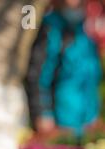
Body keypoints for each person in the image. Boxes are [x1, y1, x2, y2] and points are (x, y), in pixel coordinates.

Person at [25, 0, 102, 141]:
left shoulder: (84, 30)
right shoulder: (49, 29)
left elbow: (90, 78)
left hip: (86, 122)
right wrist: (42, 113)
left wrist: (93, 115)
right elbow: (37, 76)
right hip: (57, 122)